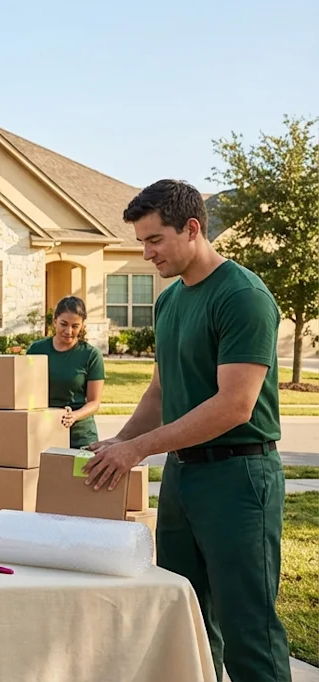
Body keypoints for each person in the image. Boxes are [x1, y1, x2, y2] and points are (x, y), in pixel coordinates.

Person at [82, 179, 289, 682]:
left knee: (248, 630)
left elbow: (234, 405)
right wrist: (120, 441)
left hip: (240, 477)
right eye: (141, 242)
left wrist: (138, 450)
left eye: (154, 240)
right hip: (182, 477)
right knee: (187, 619)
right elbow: (159, 391)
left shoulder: (242, 297)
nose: (146, 253)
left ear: (192, 229)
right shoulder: (170, 301)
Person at [25, 295, 105, 449]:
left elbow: (94, 402)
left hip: (80, 433)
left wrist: (74, 416)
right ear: (54, 321)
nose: (69, 331)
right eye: (64, 324)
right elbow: (27, 390)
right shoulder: (36, 350)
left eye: (75, 326)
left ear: (82, 325)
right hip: (44, 428)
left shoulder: (91, 355)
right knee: (47, 473)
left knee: (80, 472)